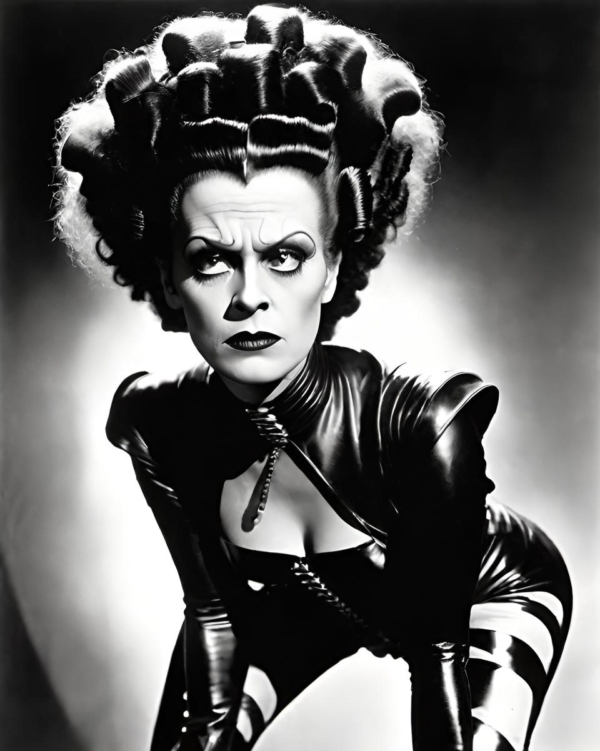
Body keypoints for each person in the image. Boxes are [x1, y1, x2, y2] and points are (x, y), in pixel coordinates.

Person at [53, 4, 572, 750]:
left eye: (285, 256)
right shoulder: (156, 424)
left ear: (331, 269)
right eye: (210, 259)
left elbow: (437, 652)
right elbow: (213, 615)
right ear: (166, 278)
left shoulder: (427, 423)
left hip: (482, 597)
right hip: (315, 600)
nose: (249, 296)